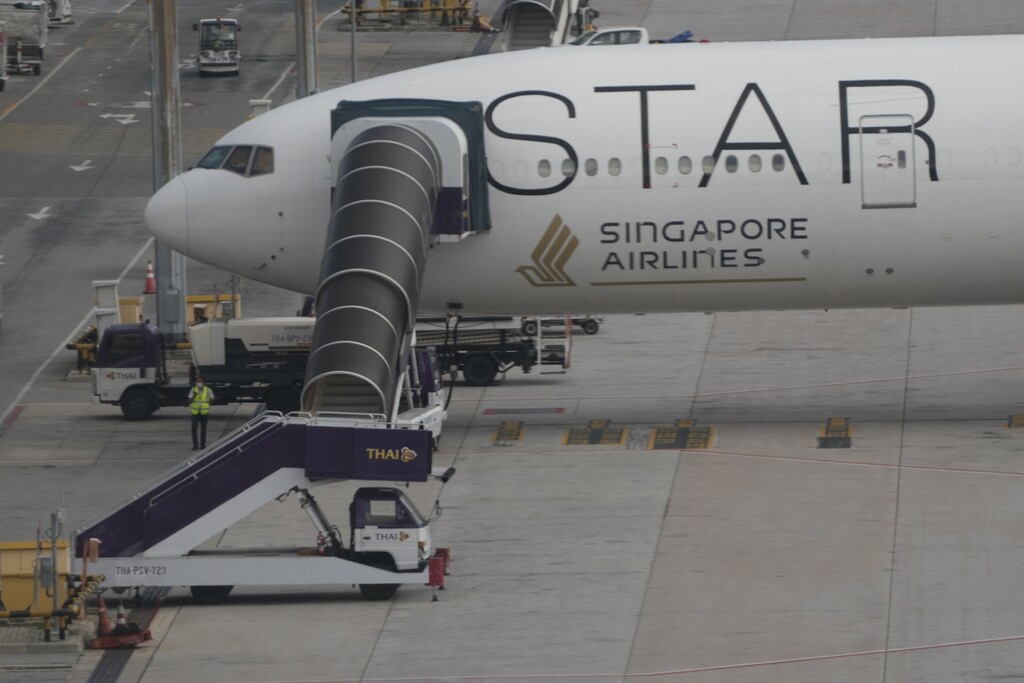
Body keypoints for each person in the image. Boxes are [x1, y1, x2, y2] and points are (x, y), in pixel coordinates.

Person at [187, 376, 214, 450]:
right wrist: (193, 396)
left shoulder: (208, 390)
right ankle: (195, 445)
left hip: (204, 412)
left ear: (203, 382)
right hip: (195, 412)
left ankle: (203, 445)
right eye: (197, 382)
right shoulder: (193, 389)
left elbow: (212, 399)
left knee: (203, 429)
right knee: (194, 427)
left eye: (200, 381)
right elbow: (189, 401)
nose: (198, 383)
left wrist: (207, 402)